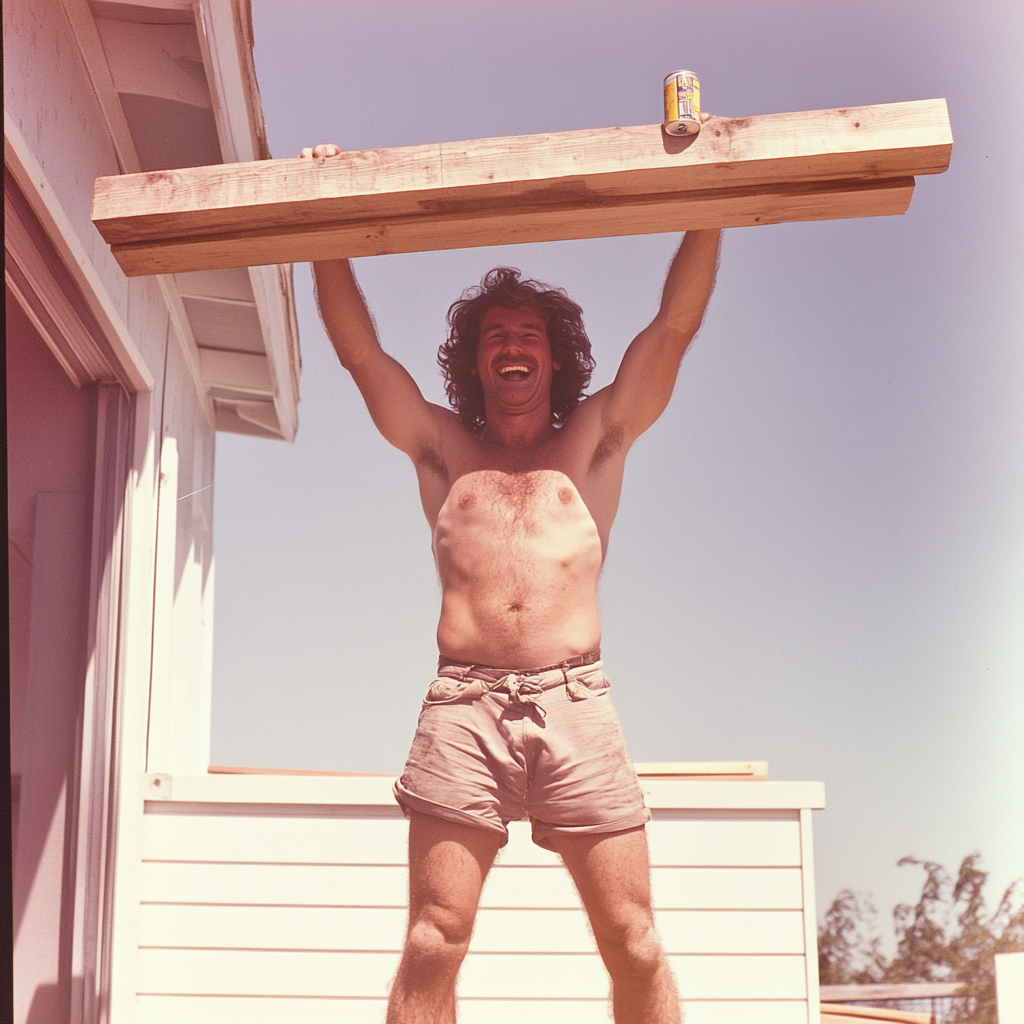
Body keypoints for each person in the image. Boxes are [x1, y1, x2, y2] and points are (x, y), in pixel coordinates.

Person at [303, 138, 721, 1024]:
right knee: (431, 939)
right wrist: (322, 219)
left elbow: (674, 327)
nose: (513, 345)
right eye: (496, 337)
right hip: (464, 707)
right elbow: (360, 354)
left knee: (636, 939)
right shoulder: (444, 448)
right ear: (477, 362)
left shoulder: (597, 439)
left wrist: (712, 194)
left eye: (529, 334)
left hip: (576, 703)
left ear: (557, 356)